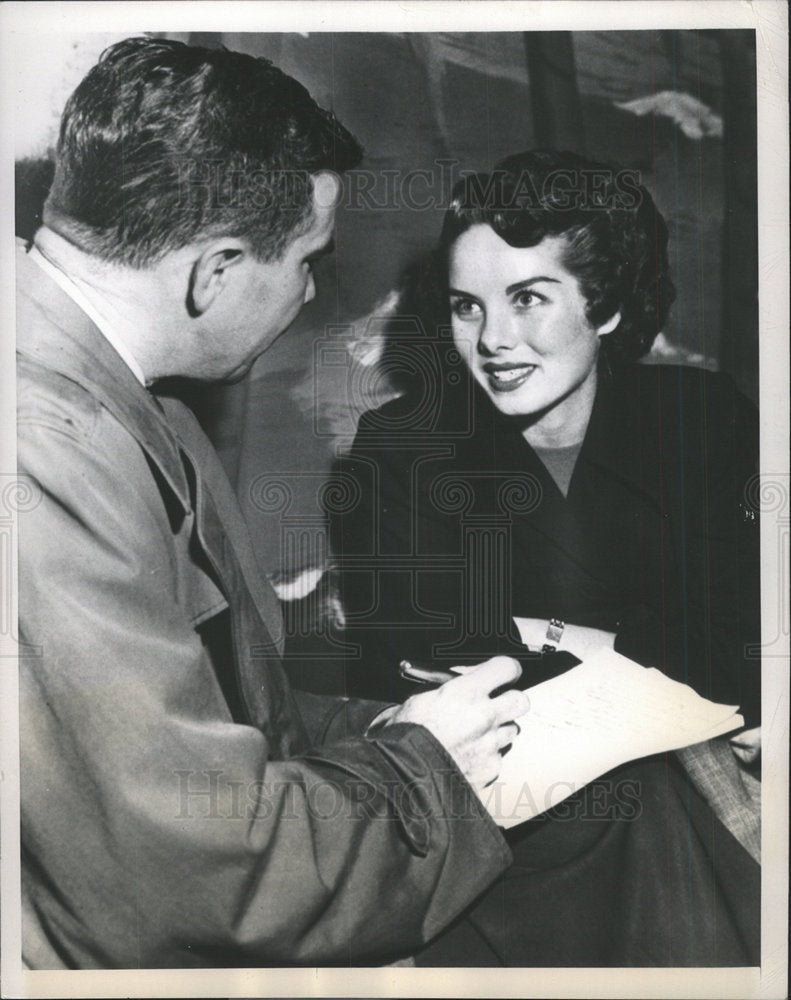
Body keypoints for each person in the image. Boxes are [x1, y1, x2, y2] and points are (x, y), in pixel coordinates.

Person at [16, 37, 534, 969]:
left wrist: (382, 730)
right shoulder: (42, 452)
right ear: (214, 271)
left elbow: (219, 710)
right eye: (306, 261)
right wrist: (426, 769)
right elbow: (197, 872)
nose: (307, 293)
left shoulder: (133, 399)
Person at [331, 150, 761, 965]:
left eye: (527, 298)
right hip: (515, 815)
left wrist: (549, 634)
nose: (493, 340)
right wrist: (646, 641)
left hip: (694, 775)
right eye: (466, 307)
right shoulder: (402, 449)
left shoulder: (702, 418)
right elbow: (431, 653)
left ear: (605, 306)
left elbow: (746, 631)